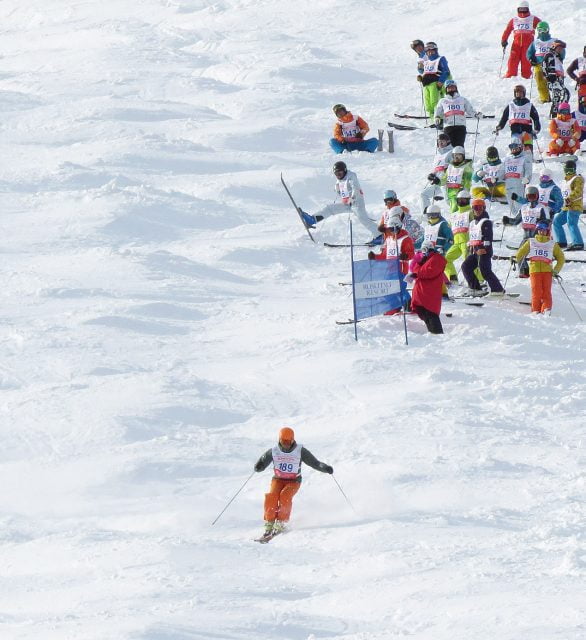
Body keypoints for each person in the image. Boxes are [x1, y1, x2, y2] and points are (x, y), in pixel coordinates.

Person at [254, 427, 333, 538]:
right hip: (278, 480)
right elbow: (262, 462)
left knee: (284, 496)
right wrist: (259, 466)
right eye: (283, 441)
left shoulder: (300, 451)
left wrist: (325, 468)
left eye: (288, 441)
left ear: (292, 440)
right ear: (279, 440)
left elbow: (314, 463)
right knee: (272, 496)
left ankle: (281, 522)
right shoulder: (274, 451)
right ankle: (270, 523)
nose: (286, 444)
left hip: (293, 481)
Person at [300, 161, 379, 236]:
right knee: (330, 208)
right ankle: (312, 220)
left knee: (363, 219)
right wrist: (337, 189)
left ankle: (379, 235)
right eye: (336, 174)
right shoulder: (339, 180)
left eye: (340, 173)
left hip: (357, 203)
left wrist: (352, 198)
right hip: (347, 204)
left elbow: (356, 188)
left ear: (344, 171)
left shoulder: (351, 176)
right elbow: (341, 191)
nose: (338, 175)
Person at [369, 210, 415, 315]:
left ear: (398, 227)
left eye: (392, 229)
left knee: (400, 288)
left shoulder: (405, 239)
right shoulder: (389, 239)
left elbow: (412, 253)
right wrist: (374, 257)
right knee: (387, 288)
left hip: (400, 268)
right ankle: (395, 306)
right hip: (389, 269)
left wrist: (405, 255)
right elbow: (384, 255)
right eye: (389, 229)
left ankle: (409, 306)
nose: (390, 231)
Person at [514, 219, 564, 314]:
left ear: (547, 231)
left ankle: (546, 309)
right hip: (535, 271)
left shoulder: (552, 243)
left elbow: (561, 258)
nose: (541, 231)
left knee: (546, 292)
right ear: (537, 230)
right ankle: (535, 310)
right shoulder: (531, 241)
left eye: (544, 230)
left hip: (547, 272)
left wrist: (556, 270)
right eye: (540, 229)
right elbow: (520, 253)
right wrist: (514, 258)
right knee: (536, 292)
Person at [461, 199, 505, 296]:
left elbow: (488, 237)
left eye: (480, 208)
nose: (478, 210)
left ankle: (498, 290)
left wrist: (484, 248)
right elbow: (472, 237)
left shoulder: (486, 222)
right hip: (475, 251)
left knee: (485, 271)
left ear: (484, 208)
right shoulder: (472, 223)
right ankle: (476, 288)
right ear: (472, 209)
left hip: (483, 251)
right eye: (475, 208)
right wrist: (470, 248)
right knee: (466, 266)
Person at [405, 242, 447, 334]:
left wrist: (417, 273)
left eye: (424, 250)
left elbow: (429, 273)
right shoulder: (427, 259)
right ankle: (433, 333)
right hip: (422, 293)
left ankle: (437, 334)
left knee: (431, 314)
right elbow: (416, 269)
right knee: (423, 311)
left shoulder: (437, 259)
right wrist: (420, 265)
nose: (423, 253)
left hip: (430, 293)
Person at [501, 1, 541, 79]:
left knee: (526, 61)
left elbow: (542, 27)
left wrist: (542, 38)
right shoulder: (514, 19)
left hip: (528, 45)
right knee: (513, 60)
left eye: (524, 9)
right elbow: (507, 30)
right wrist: (504, 40)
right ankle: (510, 75)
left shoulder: (533, 19)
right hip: (516, 44)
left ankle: (527, 76)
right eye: (521, 9)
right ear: (518, 9)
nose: (522, 11)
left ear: (528, 9)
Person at [434, 80, 479, 148]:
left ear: (456, 88)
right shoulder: (442, 101)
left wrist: (476, 114)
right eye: (449, 87)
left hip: (460, 126)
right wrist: (437, 117)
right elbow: (438, 111)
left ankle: (461, 158)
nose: (451, 89)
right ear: (446, 89)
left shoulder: (462, 99)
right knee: (448, 147)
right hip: (448, 126)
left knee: (459, 147)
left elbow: (470, 110)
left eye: (453, 87)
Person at [553, 160, 584, 250]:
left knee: (571, 223)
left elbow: (578, 191)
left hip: (575, 206)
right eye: (566, 170)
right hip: (566, 207)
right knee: (557, 221)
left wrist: (570, 198)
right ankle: (562, 241)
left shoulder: (578, 179)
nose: (568, 172)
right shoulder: (565, 181)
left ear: (574, 169)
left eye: (570, 170)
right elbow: (563, 193)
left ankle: (578, 243)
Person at [444, 190, 473, 283]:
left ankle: (479, 280)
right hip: (456, 242)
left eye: (464, 200)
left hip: (466, 241)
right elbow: (449, 228)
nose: (461, 202)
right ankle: (453, 278)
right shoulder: (454, 215)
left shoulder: (471, 212)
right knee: (446, 259)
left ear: (468, 201)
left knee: (469, 261)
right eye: (459, 200)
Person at [421, 132, 452, 212]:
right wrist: (432, 175)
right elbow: (436, 169)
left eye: (442, 141)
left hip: (446, 183)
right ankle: (427, 216)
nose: (440, 143)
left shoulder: (451, 153)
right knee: (424, 194)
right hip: (437, 182)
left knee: (449, 201)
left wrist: (442, 179)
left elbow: (452, 168)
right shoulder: (438, 155)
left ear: (448, 142)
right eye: (439, 141)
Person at [526, 22, 556, 103]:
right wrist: (531, 59)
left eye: (544, 30)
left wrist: (561, 56)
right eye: (540, 30)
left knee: (552, 80)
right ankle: (545, 98)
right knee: (540, 79)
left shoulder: (554, 41)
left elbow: (561, 50)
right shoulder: (536, 42)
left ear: (548, 30)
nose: (542, 32)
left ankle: (556, 96)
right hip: (539, 64)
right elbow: (529, 52)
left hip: (551, 64)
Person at [503, 136, 533, 216]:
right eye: (512, 147)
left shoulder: (525, 157)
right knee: (511, 205)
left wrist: (527, 178)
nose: (514, 149)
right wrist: (496, 178)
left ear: (520, 147)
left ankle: (521, 218)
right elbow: (502, 170)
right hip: (508, 184)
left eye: (515, 147)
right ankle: (515, 218)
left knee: (518, 203)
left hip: (518, 184)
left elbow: (528, 169)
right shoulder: (507, 159)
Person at [420, 42, 450, 120]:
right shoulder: (426, 62)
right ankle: (431, 118)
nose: (430, 53)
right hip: (426, 85)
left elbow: (446, 71)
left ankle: (439, 117)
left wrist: (441, 81)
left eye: (432, 51)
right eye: (428, 51)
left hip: (435, 83)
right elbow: (425, 72)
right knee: (427, 103)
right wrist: (421, 77)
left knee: (434, 101)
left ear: (435, 50)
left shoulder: (440, 59)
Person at [440, 146, 473, 212]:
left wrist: (464, 196)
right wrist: (436, 180)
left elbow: (468, 183)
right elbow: (443, 181)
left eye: (459, 155)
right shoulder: (450, 167)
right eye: (455, 155)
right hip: (450, 196)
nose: (456, 157)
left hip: (460, 196)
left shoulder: (466, 167)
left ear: (463, 156)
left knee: (456, 213)